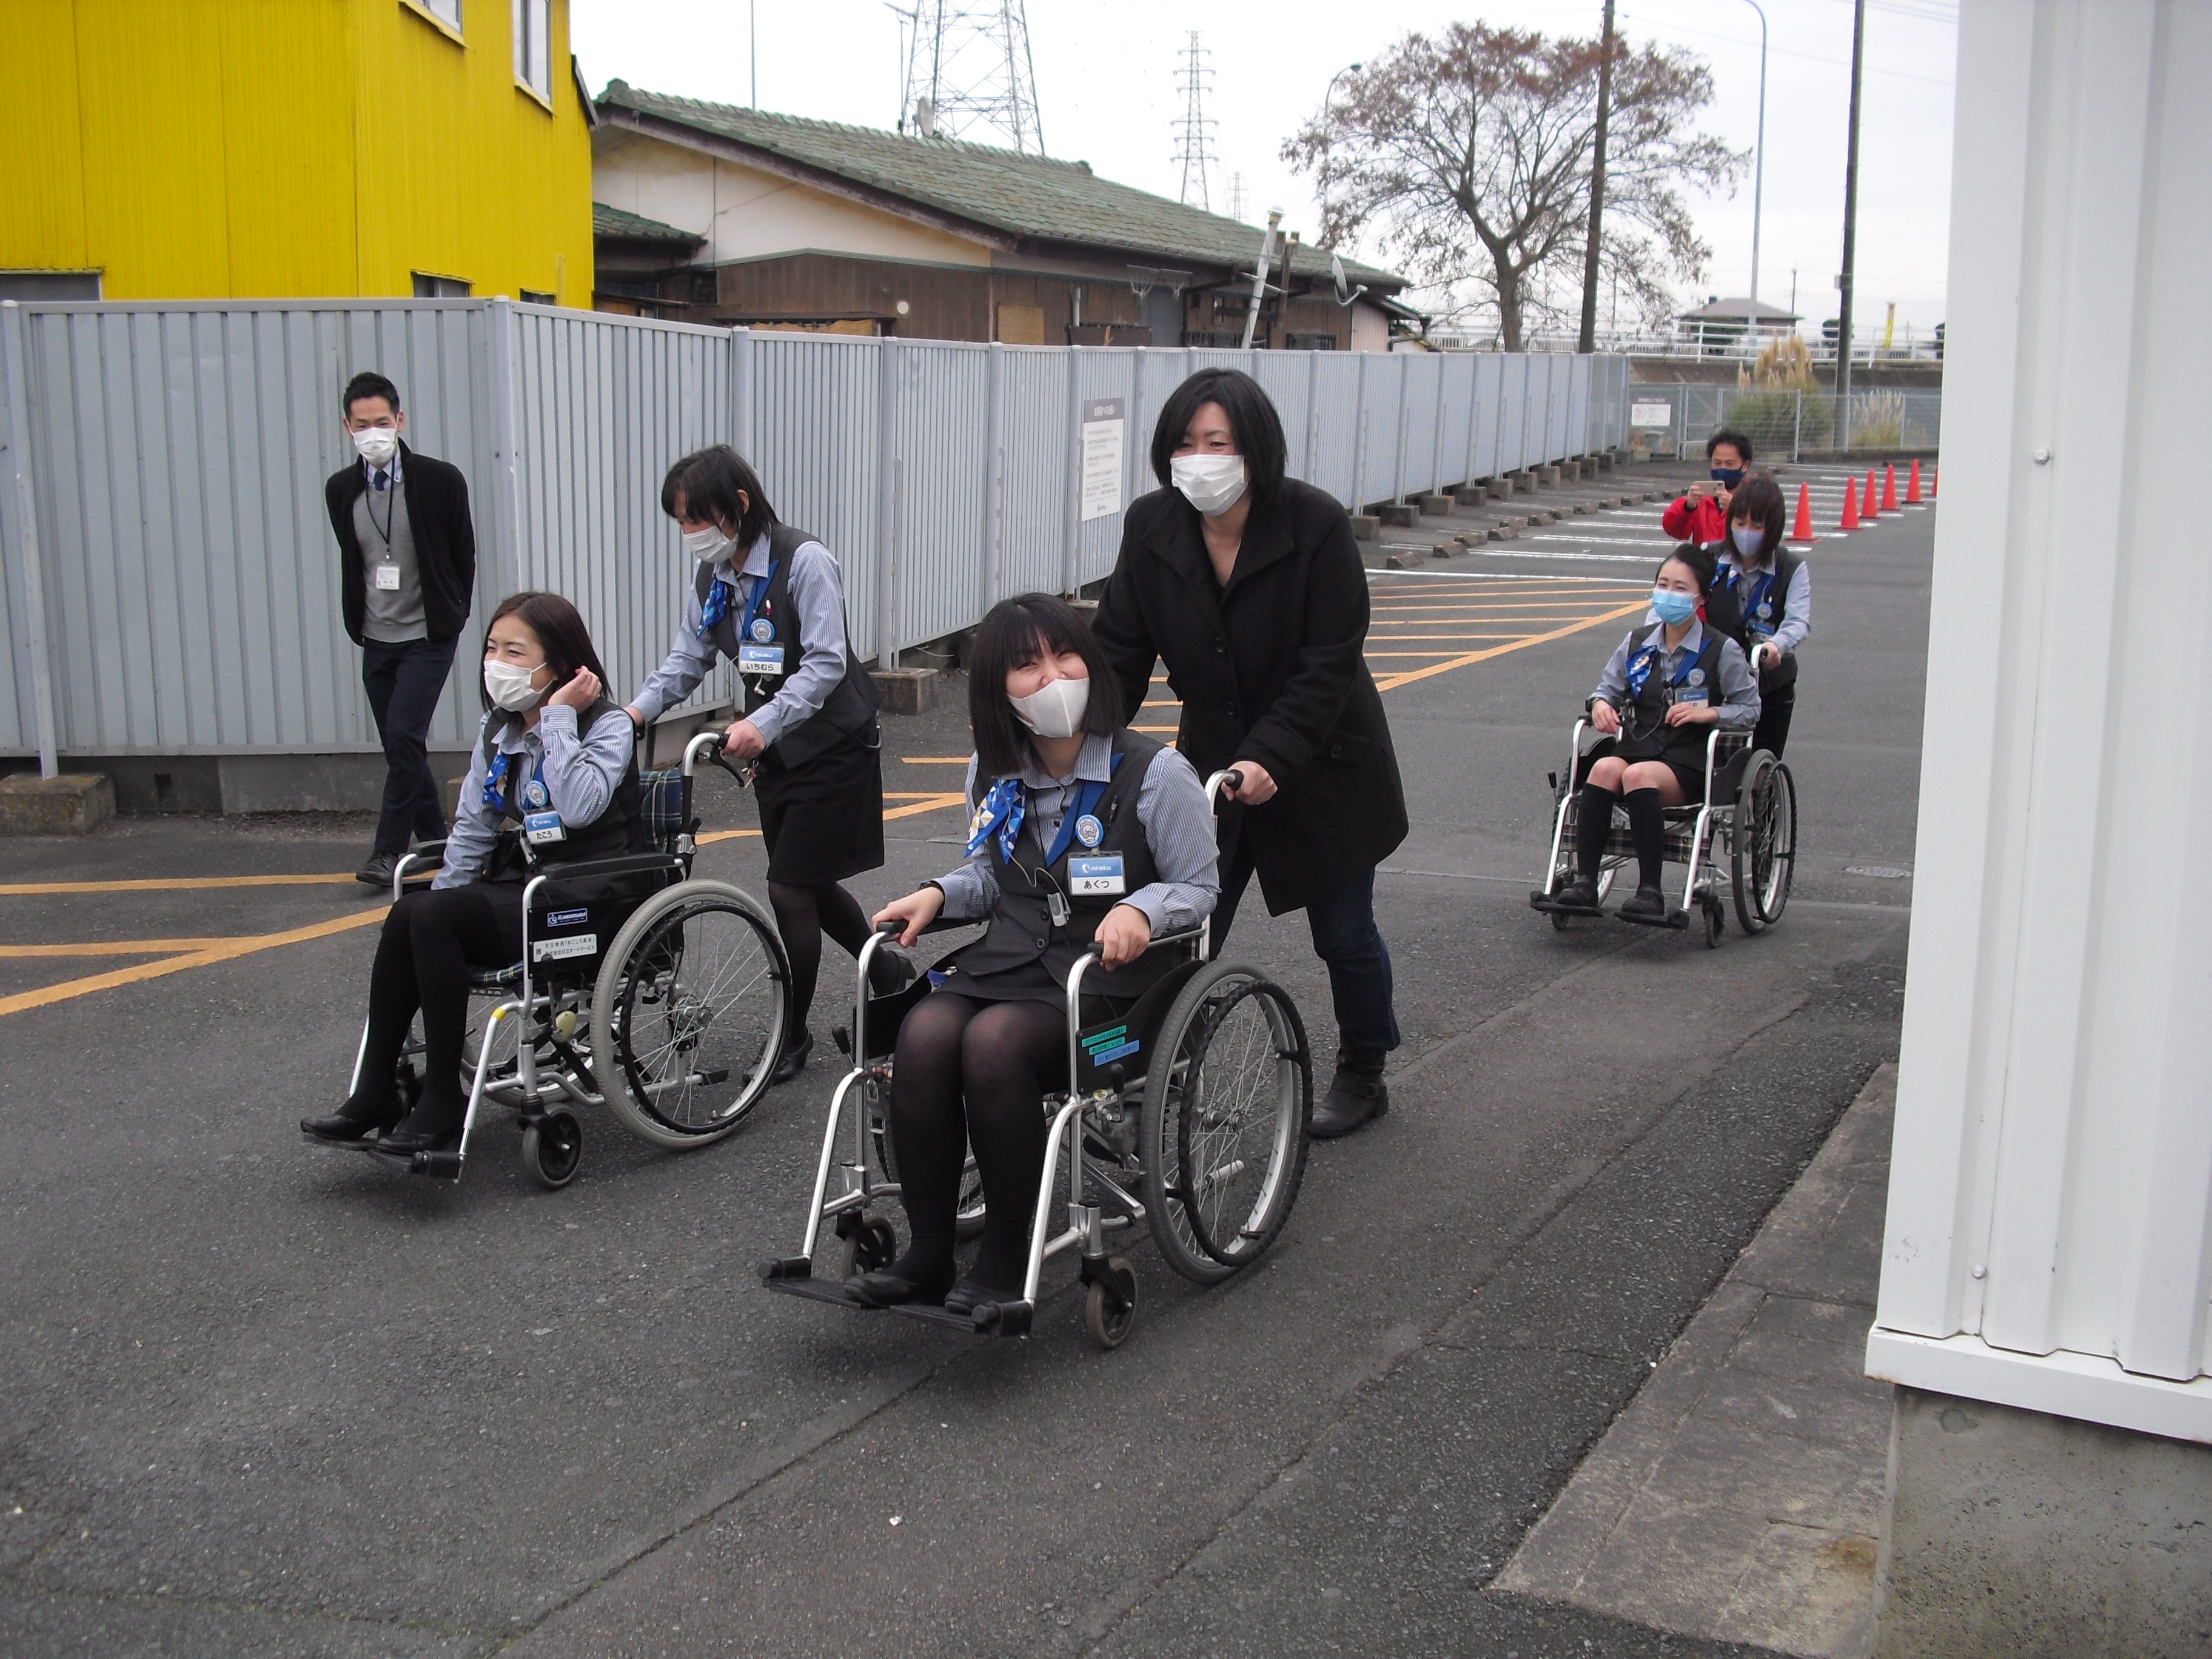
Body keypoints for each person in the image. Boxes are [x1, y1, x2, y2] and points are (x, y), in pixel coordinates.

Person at [853, 594, 1221, 1311]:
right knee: (923, 1034)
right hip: (1012, 963)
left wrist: (1141, 909)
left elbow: (1199, 887)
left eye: (1065, 654)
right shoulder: (992, 774)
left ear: (1092, 664)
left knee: (992, 1043)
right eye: (1027, 665)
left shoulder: (1155, 773)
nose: (1052, 677)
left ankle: (1003, 1259)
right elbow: (993, 877)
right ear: (999, 690)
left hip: (1115, 992)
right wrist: (938, 894)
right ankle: (929, 1253)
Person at [1090, 367, 1406, 1141]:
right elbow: (1119, 651)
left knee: (1344, 934)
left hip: (1323, 760)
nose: (1199, 459)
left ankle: (1364, 1069)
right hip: (1211, 768)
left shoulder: (1315, 523)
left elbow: (1330, 661)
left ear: (1255, 450)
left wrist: (1272, 753)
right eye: (1185, 443)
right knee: (1182, 933)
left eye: (1218, 443)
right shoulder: (1152, 526)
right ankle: (1149, 1082)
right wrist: (1081, 743)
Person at [303, 592, 643, 1156]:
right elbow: (472, 829)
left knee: (434, 916)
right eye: (491, 648)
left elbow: (578, 807)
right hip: (533, 885)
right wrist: (432, 905)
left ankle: (442, 1099)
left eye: (515, 651)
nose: (496, 663)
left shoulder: (608, 725)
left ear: (559, 663)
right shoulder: (498, 730)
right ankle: (376, 1089)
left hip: (595, 894)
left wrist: (557, 718)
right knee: (411, 911)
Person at [622, 446, 888, 1086]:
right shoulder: (713, 578)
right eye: (681, 522)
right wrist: (633, 714)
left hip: (834, 745)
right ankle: (888, 971)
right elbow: (688, 659)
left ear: (738, 505)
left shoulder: (804, 561)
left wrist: (761, 724)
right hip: (775, 754)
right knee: (810, 882)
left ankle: (790, 1035)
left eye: (697, 518)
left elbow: (826, 663)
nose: (691, 533)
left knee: (789, 887)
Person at [323, 371, 478, 890]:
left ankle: (387, 850)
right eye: (362, 424)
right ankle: (436, 839)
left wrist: (454, 613)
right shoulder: (341, 490)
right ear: (347, 427)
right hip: (376, 634)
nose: (373, 433)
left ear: (401, 420)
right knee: (399, 744)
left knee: (406, 734)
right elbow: (356, 560)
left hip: (427, 634)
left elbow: (462, 553)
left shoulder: (440, 480)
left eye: (382, 422)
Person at [1549, 546, 1760, 925]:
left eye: (1680, 588)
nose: (1668, 594)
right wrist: (1601, 705)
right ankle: (1585, 882)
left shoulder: (1721, 649)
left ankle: (1650, 891)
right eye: (1663, 585)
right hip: (1638, 745)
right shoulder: (1638, 642)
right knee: (1603, 769)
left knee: (1636, 775)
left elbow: (1750, 708)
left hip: (1687, 759)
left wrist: (1711, 712)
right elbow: (1606, 689)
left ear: (1701, 598)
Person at [1707, 471, 1811, 759]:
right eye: (1740, 523)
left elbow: (1798, 621)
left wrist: (1778, 644)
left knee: (1762, 758)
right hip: (1716, 677)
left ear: (1773, 528)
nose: (1746, 531)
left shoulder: (1792, 568)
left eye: (1757, 525)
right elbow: (1680, 597)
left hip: (1769, 681)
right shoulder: (1709, 558)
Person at [1660, 428, 1753, 550]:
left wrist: (1738, 510)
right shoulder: (1702, 497)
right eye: (1717, 463)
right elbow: (1675, 531)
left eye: (1730, 464)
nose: (1722, 468)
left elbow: (1765, 534)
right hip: (1705, 560)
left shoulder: (1756, 496)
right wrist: (1687, 507)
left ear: (1745, 465)